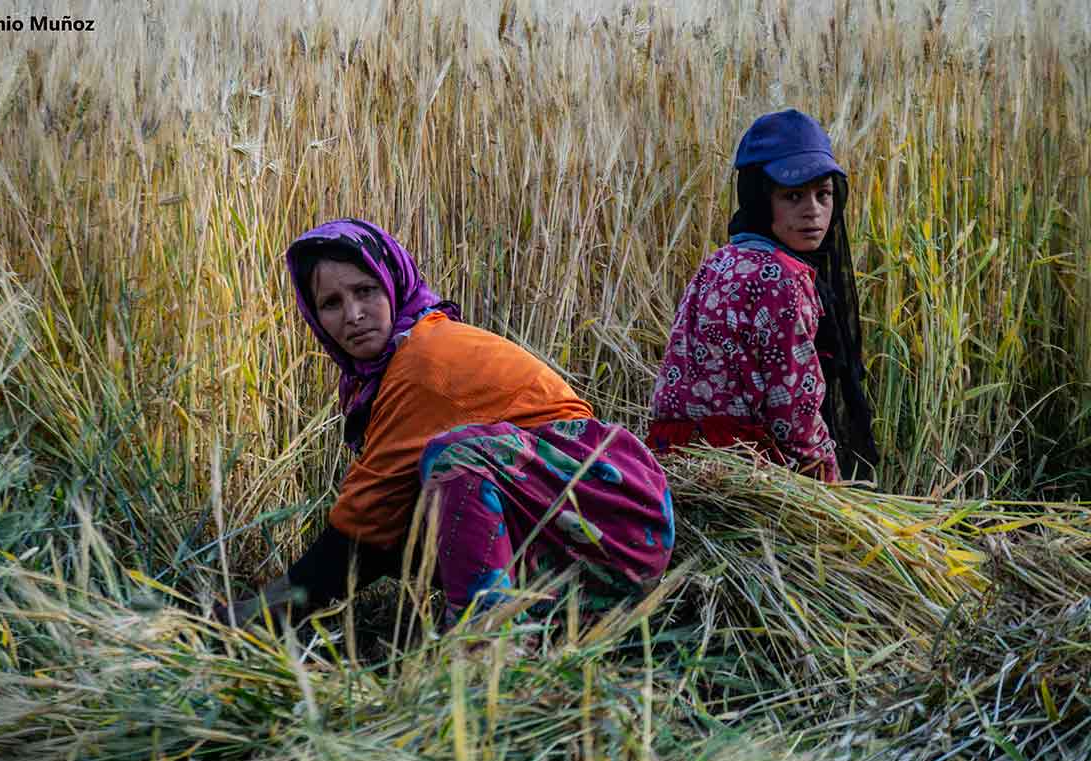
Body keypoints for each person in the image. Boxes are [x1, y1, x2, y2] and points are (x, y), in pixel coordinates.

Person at [219, 218, 675, 630]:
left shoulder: (422, 362)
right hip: (580, 521)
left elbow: (357, 527)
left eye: (365, 291)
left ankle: (487, 649)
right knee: (407, 509)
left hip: (614, 520)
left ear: (393, 284)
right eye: (331, 304)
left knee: (455, 459)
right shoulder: (389, 369)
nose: (353, 315)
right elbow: (377, 526)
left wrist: (263, 611)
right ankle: (547, 620)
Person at [647, 109, 879, 482]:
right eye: (793, 196)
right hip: (743, 466)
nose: (813, 212)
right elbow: (793, 413)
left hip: (675, 460)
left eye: (824, 195)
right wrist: (836, 493)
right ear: (758, 198)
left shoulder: (719, 261)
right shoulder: (782, 280)